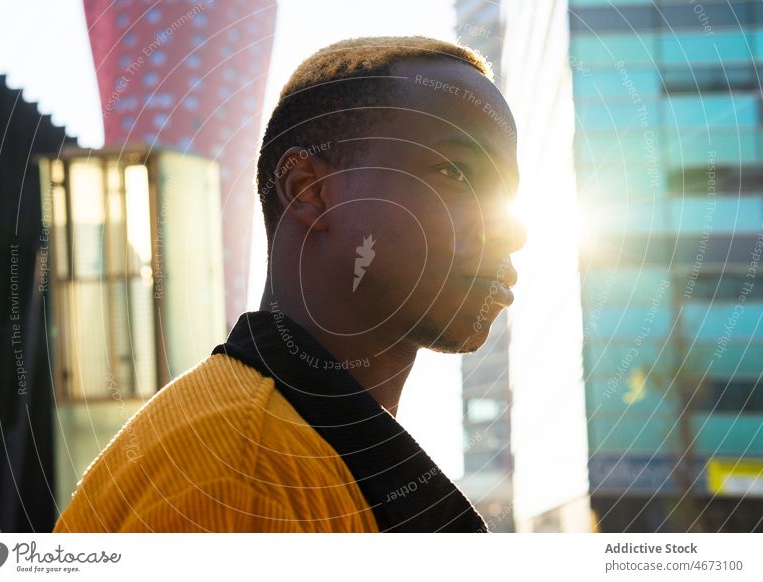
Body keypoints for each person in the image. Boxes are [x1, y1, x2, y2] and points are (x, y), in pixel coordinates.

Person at [53, 35, 525, 533]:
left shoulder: (282, 452)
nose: (513, 229)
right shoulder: (248, 480)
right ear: (311, 191)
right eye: (456, 171)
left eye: (506, 193)